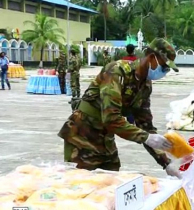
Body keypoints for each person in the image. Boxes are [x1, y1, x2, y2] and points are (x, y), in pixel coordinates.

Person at [58, 38, 181, 178]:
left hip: (106, 139)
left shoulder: (145, 86)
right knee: (84, 186)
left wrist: (165, 162)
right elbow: (111, 118)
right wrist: (146, 137)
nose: (164, 72)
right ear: (152, 58)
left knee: (111, 183)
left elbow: (145, 125)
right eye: (164, 67)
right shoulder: (116, 71)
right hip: (83, 136)